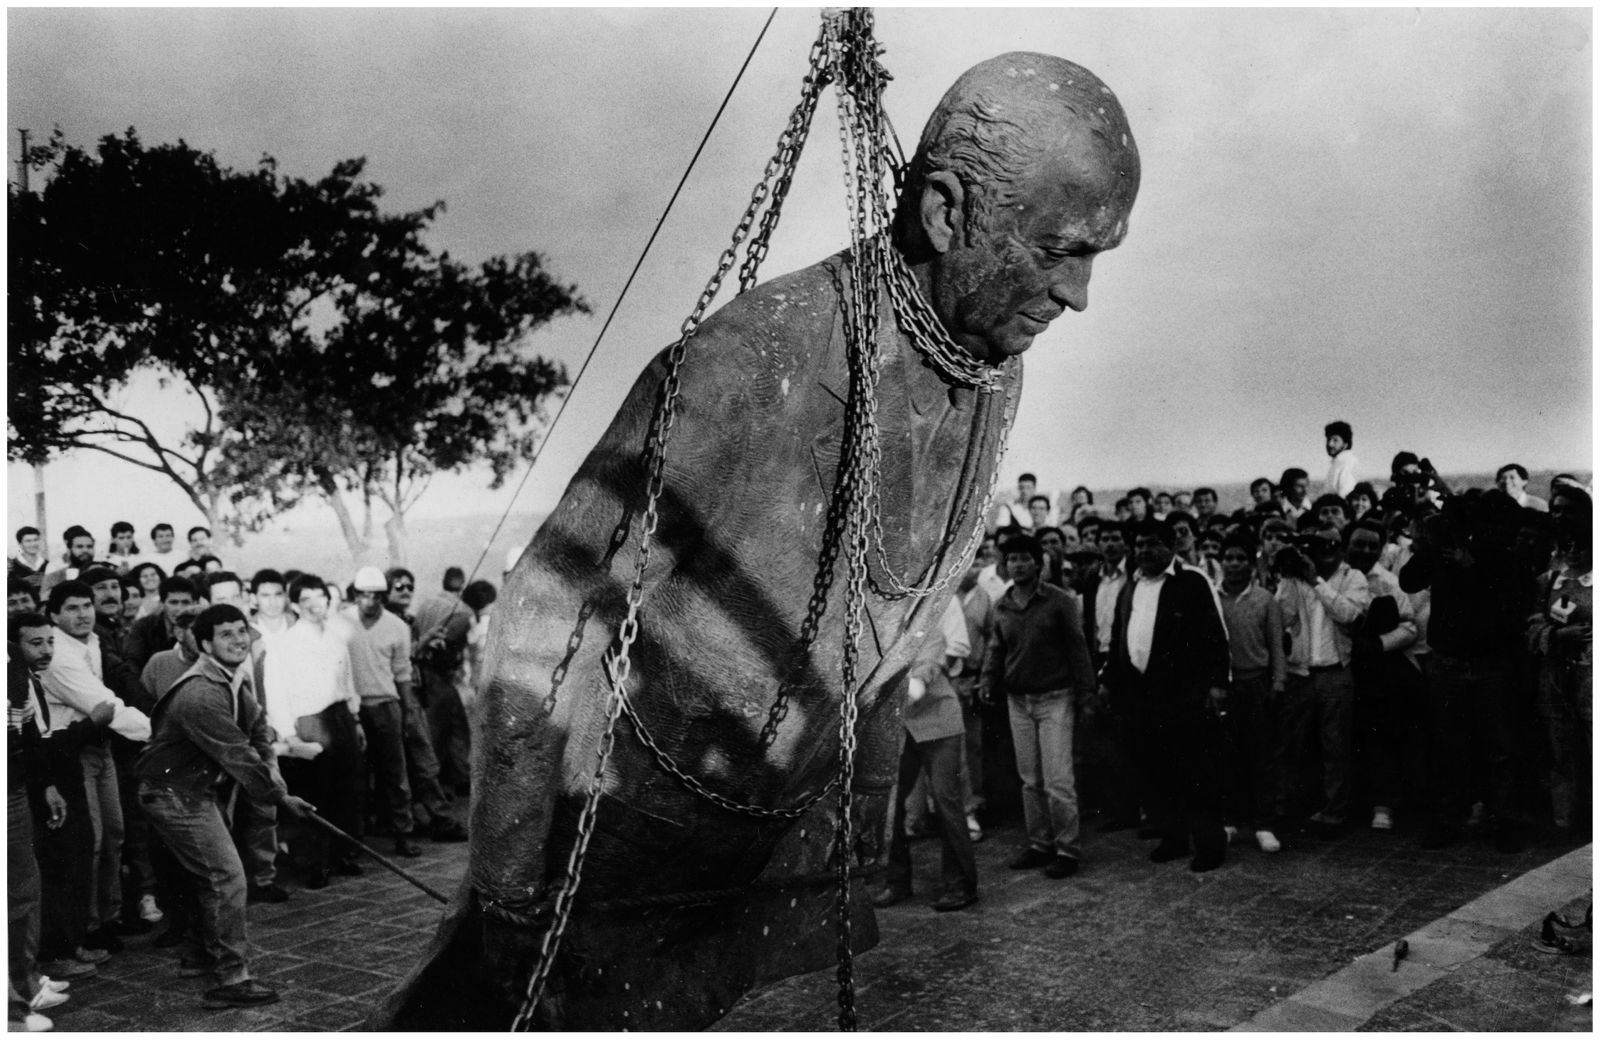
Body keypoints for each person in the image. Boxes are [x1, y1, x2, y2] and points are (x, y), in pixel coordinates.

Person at [383, 49, 1143, 1030]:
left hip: (756, 833)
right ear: (948, 213)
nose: (1077, 294)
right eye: (1061, 250)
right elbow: (546, 598)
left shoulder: (993, 363)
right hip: (615, 834)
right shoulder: (752, 361)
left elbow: (898, 620)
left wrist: (854, 818)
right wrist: (511, 882)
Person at [134, 604, 316, 1008]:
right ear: (204, 644)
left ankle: (198, 958)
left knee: (213, 876)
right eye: (227, 634)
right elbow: (240, 756)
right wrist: (282, 798)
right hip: (171, 793)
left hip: (197, 791)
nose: (238, 641)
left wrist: (276, 779)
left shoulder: (233, 679)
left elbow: (258, 734)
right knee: (227, 878)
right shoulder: (200, 692)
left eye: (242, 632)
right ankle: (232, 979)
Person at [1401, 492, 1535, 852]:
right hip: (1449, 662)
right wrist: (1435, 543)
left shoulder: (1506, 560)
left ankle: (1505, 821)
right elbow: (1409, 580)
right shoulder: (1447, 549)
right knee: (1449, 745)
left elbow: (1509, 606)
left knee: (1500, 747)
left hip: (1491, 663)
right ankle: (1448, 819)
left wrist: (1471, 565)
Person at [1103, 517, 1231, 872]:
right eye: (1140, 544)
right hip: (1142, 696)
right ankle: (1173, 838)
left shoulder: (1190, 582)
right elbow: (1119, 638)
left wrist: (1218, 685)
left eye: (1152, 544)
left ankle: (1210, 845)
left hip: (1185, 695)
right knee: (1157, 771)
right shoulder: (1130, 586)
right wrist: (1111, 681)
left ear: (1170, 546)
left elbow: (1214, 638)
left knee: (1196, 773)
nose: (1144, 551)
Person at [39, 582, 153, 958]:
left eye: (87, 605)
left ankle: (109, 916)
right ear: (54, 616)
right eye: (72, 608)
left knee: (115, 832)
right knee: (93, 840)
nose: (84, 613)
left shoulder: (91, 641)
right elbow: (103, 704)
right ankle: (86, 928)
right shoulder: (57, 653)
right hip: (73, 751)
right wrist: (160, 731)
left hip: (102, 745)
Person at [980, 533, 1095, 879]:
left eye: (1024, 558)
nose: (1017, 564)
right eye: (1011, 559)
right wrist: (987, 680)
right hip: (1018, 701)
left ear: (1038, 562)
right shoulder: (1002, 604)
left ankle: (1067, 850)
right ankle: (1039, 844)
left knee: (1058, 780)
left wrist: (1087, 693)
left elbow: (1078, 649)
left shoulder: (1059, 602)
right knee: (1030, 780)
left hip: (1056, 699)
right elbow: (996, 648)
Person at [874, 599, 979, 912]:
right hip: (900, 728)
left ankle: (961, 885)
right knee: (891, 803)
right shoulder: (882, 634)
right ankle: (897, 881)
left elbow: (926, 672)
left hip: (940, 723)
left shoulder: (929, 632)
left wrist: (897, 695)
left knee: (946, 801)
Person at [264, 575, 365, 888]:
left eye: (319, 596)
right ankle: (311, 862)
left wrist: (355, 719)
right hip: (308, 721)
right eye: (305, 599)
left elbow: (347, 680)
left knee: (346, 789)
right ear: (295, 605)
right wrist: (289, 735)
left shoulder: (335, 637)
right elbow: (276, 692)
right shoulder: (285, 644)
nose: (314, 604)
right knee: (312, 794)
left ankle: (341, 854)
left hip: (340, 717)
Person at [1274, 522, 1371, 833]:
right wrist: (1290, 578)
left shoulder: (1352, 577)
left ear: (1338, 549)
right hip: (1299, 673)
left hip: (1335, 673)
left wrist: (1316, 580)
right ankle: (1290, 808)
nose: (1323, 554)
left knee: (1336, 747)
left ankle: (1334, 812)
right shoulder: (1296, 576)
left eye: (1329, 547)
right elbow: (1283, 617)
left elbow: (1349, 616)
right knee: (1292, 745)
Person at [1342, 519, 1419, 832]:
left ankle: (1382, 804)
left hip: (1375, 671)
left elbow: (1409, 626)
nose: (1365, 550)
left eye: (1373, 545)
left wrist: (1378, 645)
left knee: (1378, 737)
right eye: (1359, 543)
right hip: (1336, 666)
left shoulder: (1389, 582)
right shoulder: (1334, 577)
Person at [344, 568, 423, 857]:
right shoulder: (340, 622)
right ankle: (357, 839)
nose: (370, 601)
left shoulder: (397, 627)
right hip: (352, 707)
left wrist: (407, 711)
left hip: (386, 705)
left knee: (395, 773)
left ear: (384, 596)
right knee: (356, 775)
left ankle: (403, 834)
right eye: (364, 595)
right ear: (355, 595)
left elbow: (402, 673)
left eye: (377, 595)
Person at [1216, 530, 1287, 853]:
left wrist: (1278, 683)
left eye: (1240, 558)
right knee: (1227, 756)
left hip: (1257, 683)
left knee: (1261, 756)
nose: (1233, 564)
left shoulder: (1265, 600)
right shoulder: (1213, 598)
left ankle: (1264, 824)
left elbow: (1276, 646)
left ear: (1251, 561)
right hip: (1224, 687)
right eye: (1228, 558)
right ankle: (1229, 821)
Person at [123, 576, 202, 672]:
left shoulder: (202, 627)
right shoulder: (143, 627)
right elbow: (132, 663)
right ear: (162, 604)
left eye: (185, 602)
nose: (179, 608)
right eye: (173, 602)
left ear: (195, 603)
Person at [40, 527, 101, 596]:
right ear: (69, 550)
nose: (85, 550)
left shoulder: (105, 573)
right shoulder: (52, 578)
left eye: (89, 547)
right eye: (79, 547)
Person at [1322, 420, 1358, 497]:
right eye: (1328, 439)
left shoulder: (1348, 462)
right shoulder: (1336, 463)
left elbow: (1345, 494)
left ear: (1345, 444)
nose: (1330, 444)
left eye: (1335, 440)